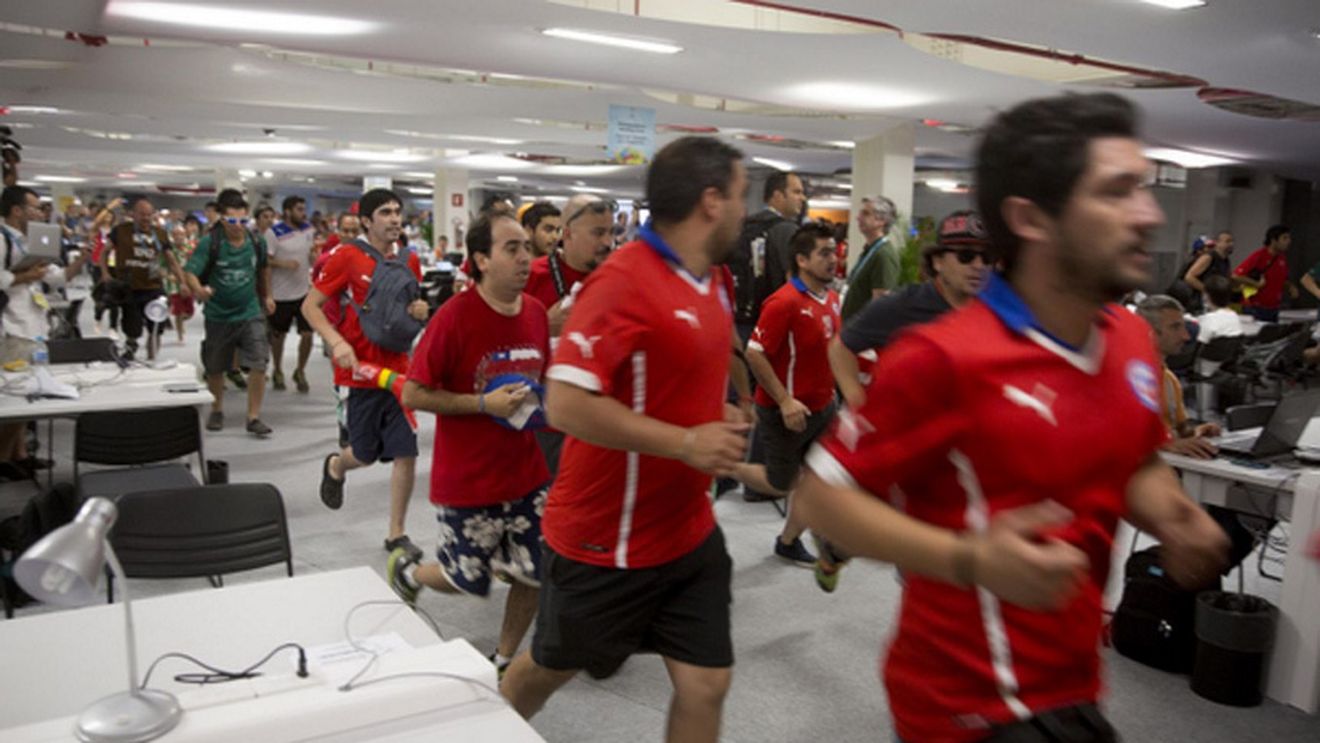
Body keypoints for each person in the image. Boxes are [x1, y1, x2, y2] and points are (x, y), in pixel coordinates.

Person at [794, 93, 1229, 743]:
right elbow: (822, 497)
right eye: (1116, 192)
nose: (1149, 214)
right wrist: (969, 557)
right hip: (965, 700)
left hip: (1073, 680)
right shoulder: (945, 356)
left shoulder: (1131, 339)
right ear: (1031, 218)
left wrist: (1171, 512)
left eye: (1142, 187)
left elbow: (1132, 456)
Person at [501, 136, 750, 743]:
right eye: (742, 196)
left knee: (707, 683)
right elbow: (564, 402)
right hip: (604, 540)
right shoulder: (622, 281)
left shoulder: (712, 277)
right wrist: (687, 442)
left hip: (687, 531)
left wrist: (719, 412)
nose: (747, 211)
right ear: (711, 201)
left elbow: (672, 373)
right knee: (544, 672)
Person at [389, 213, 551, 678]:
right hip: (469, 478)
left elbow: (545, 380)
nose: (525, 257)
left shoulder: (537, 314)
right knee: (466, 579)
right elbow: (413, 392)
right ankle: (410, 573)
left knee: (534, 572)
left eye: (527, 247)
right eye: (512, 249)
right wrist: (483, 403)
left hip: (527, 473)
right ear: (481, 259)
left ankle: (503, 659)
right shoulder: (454, 318)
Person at [815, 210, 993, 593]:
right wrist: (858, 401)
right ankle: (834, 548)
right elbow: (841, 347)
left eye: (986, 257)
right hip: (907, 442)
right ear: (939, 262)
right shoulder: (903, 307)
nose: (978, 266)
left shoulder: (995, 310)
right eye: (965, 256)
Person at [303, 188, 428, 557]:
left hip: (400, 374)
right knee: (365, 453)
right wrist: (336, 343)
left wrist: (419, 311)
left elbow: (406, 313)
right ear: (367, 220)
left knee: (407, 451)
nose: (394, 219)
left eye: (397, 212)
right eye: (385, 213)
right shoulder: (345, 257)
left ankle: (396, 534)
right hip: (357, 373)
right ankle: (337, 464)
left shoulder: (410, 260)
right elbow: (311, 307)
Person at [732, 222, 840, 567]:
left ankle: (788, 540)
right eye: (824, 253)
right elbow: (754, 352)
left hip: (823, 407)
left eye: (834, 251)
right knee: (781, 484)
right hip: (783, 412)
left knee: (820, 479)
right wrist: (784, 400)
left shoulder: (833, 299)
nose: (833, 259)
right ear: (802, 260)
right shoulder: (783, 302)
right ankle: (727, 466)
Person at [523, 193, 614, 477]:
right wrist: (542, 326)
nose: (607, 242)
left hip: (606, 417)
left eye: (611, 232)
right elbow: (495, 342)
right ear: (567, 233)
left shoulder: (618, 278)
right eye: (598, 233)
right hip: (547, 420)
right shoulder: (530, 276)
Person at [0, 185, 88, 475]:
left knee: (30, 391)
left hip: (34, 322)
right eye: (34, 207)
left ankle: (20, 453)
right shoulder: (2, 238)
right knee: (14, 394)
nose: (39, 213)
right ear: (16, 210)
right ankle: (3, 458)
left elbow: (57, 277)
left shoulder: (30, 240)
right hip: (12, 325)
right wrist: (27, 275)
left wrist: (81, 260)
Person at [183, 188, 274, 437]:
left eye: (243, 220)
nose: (238, 226)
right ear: (222, 219)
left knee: (259, 362)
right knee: (216, 367)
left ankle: (253, 416)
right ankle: (216, 408)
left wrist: (267, 295)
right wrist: (198, 290)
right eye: (232, 221)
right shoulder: (210, 243)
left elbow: (264, 269)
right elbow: (190, 272)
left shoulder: (256, 241)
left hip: (250, 311)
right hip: (219, 315)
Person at [103, 197, 186, 361]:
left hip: (153, 287)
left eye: (149, 214)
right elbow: (104, 253)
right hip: (129, 286)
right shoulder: (121, 230)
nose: (146, 218)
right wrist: (105, 274)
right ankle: (131, 346)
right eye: (142, 214)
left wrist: (182, 281)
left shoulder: (160, 234)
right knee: (132, 326)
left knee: (156, 326)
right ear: (133, 214)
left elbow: (171, 260)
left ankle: (152, 357)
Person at [730, 171, 805, 339]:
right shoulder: (787, 230)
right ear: (778, 195)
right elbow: (793, 279)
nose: (802, 198)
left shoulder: (747, 225)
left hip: (740, 319)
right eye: (796, 192)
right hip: (770, 321)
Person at [264, 196, 317, 393]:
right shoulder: (273, 233)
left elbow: (309, 254)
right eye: (299, 209)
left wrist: (313, 259)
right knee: (279, 336)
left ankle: (300, 371)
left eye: (304, 209)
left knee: (308, 334)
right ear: (287, 211)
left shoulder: (308, 229)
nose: (303, 213)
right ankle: (277, 369)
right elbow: (265, 263)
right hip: (281, 293)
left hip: (304, 291)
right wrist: (283, 264)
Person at [840, 194, 900, 321]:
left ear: (881, 221)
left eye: (865, 214)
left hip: (861, 334)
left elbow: (880, 305)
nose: (858, 217)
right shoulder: (870, 250)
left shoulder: (883, 255)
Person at [1233, 224, 1292, 323]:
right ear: (1273, 240)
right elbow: (1236, 276)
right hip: (1255, 308)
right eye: (1284, 238)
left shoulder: (1282, 259)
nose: (1289, 241)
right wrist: (1256, 284)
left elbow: (1281, 280)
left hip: (1273, 308)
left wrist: (1290, 287)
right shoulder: (1259, 256)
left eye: (1289, 238)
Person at [1194, 274, 1243, 344]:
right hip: (1228, 354)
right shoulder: (1234, 316)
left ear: (1206, 296)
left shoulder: (1209, 320)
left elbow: (1199, 343)